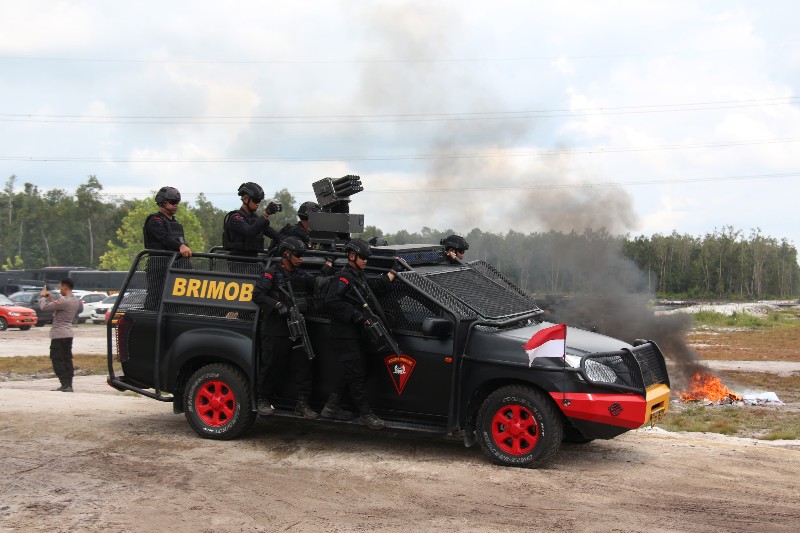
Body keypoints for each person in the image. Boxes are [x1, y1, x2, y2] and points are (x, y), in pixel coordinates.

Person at [251, 237, 334, 419]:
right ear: (286, 254)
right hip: (276, 329)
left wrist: (330, 267)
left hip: (297, 328)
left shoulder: (300, 274)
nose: (300, 258)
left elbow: (318, 282)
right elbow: (257, 294)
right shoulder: (272, 274)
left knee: (304, 366)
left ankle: (302, 404)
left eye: (302, 255)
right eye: (297, 255)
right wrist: (277, 305)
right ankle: (263, 400)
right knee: (271, 365)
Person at [321, 238, 397, 430]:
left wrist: (392, 273)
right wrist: (356, 315)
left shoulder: (358, 277)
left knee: (356, 370)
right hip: (344, 333)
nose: (365, 261)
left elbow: (374, 288)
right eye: (363, 257)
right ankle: (365, 414)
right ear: (352, 256)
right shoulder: (343, 278)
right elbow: (331, 302)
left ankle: (331, 407)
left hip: (356, 333)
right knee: (355, 373)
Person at [143, 186, 192, 309]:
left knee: (176, 297)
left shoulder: (175, 222)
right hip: (159, 265)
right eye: (173, 202)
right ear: (163, 202)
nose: (176, 205)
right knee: (156, 296)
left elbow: (180, 240)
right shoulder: (155, 220)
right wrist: (180, 246)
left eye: (177, 202)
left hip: (177, 264)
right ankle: (150, 318)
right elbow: (164, 237)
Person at [38, 278, 81, 392]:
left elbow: (44, 307)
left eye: (60, 287)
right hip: (68, 333)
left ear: (65, 287)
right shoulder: (75, 300)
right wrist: (50, 299)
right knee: (67, 359)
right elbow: (58, 307)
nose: (59, 289)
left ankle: (64, 384)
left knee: (57, 359)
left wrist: (42, 297)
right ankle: (68, 384)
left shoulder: (64, 301)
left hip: (59, 334)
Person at [222, 182, 282, 257]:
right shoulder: (235, 218)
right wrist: (266, 214)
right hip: (237, 260)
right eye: (256, 200)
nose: (258, 204)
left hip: (253, 259)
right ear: (245, 199)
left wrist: (290, 239)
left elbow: (275, 235)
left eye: (259, 201)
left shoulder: (255, 218)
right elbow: (250, 232)